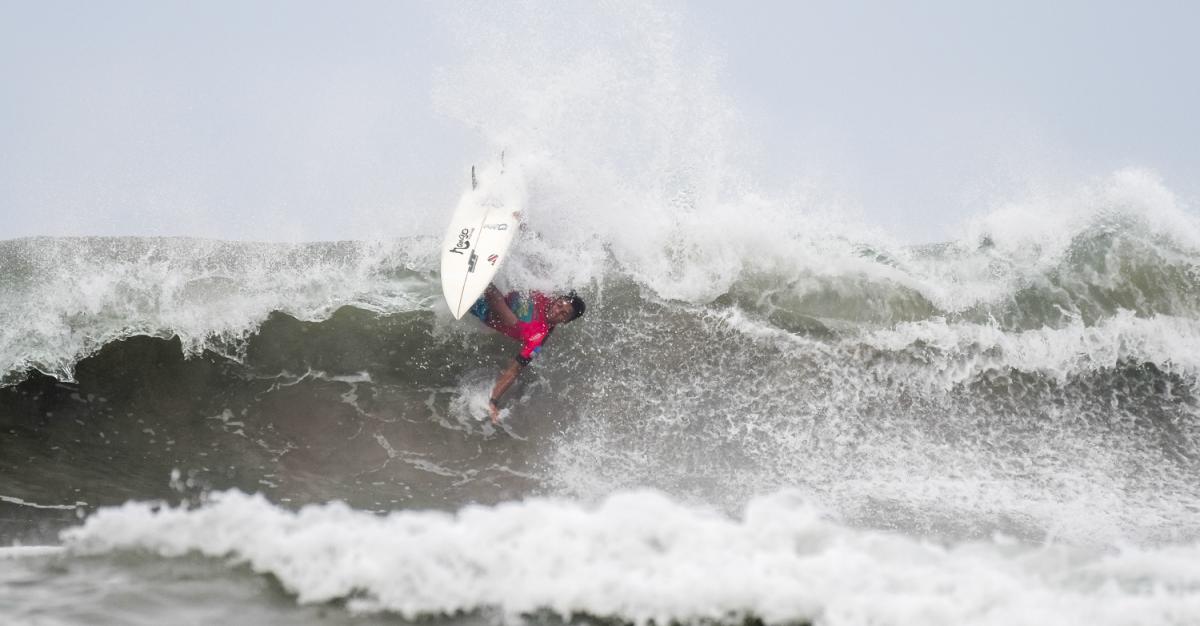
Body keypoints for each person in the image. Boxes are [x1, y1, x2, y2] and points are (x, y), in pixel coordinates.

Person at [468, 283, 586, 424]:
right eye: (559, 305)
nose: (556, 311)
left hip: (483, 308)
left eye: (563, 314)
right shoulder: (544, 296)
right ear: (556, 299)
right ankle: (487, 284)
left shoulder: (537, 339)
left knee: (513, 322)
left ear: (565, 321)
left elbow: (514, 371)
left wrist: (493, 401)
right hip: (497, 294)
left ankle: (488, 286)